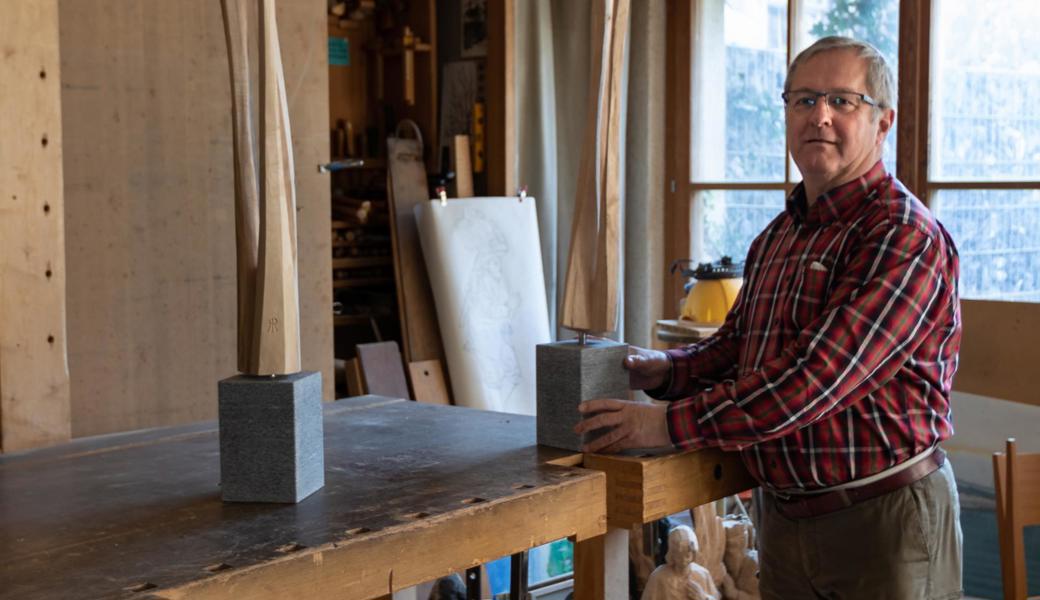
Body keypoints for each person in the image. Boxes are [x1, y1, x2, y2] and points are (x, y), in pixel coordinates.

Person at [574, 36, 963, 599]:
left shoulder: (902, 236)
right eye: (803, 100)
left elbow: (812, 382)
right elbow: (734, 352)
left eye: (841, 100)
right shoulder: (779, 237)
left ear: (883, 123)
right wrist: (662, 370)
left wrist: (663, 425)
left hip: (883, 524)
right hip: (783, 520)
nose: (819, 116)